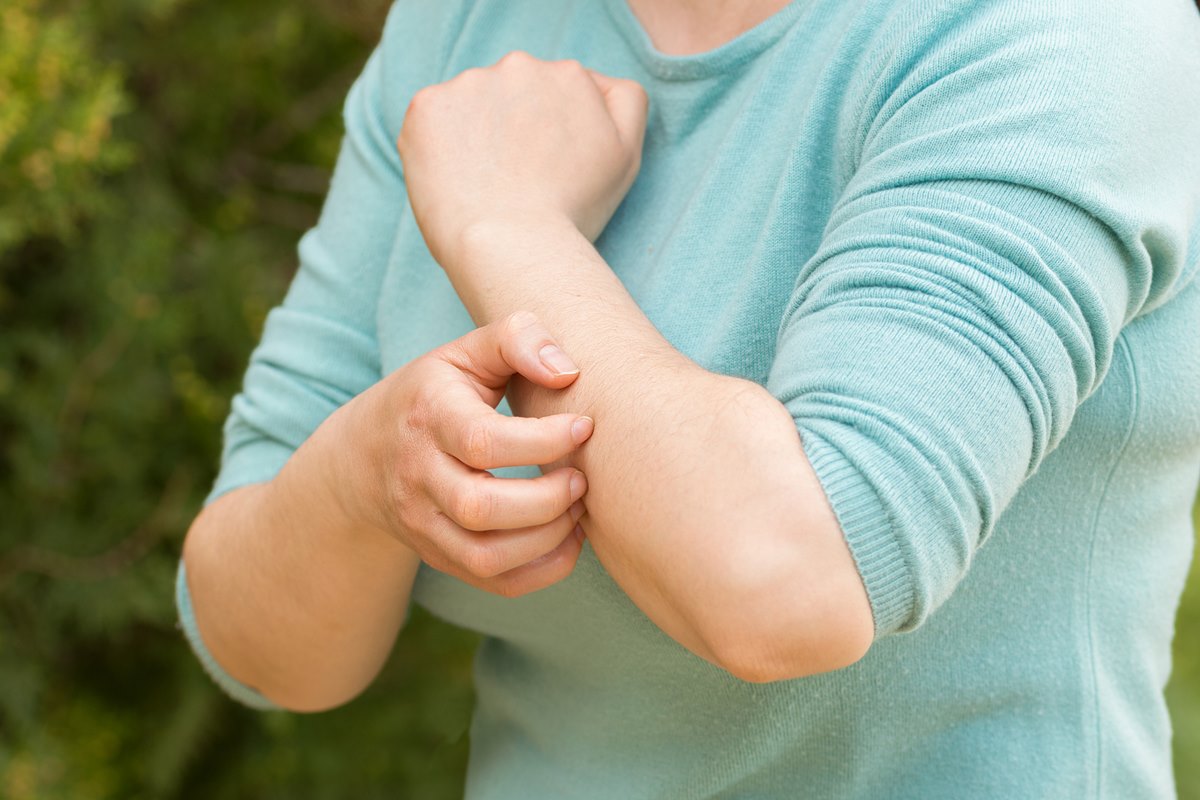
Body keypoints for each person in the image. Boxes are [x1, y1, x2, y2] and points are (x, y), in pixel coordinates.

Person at [176, 0, 1200, 796]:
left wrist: (506, 227)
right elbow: (256, 638)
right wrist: (370, 471)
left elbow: (789, 582)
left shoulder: (1059, 33)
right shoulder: (467, 25)